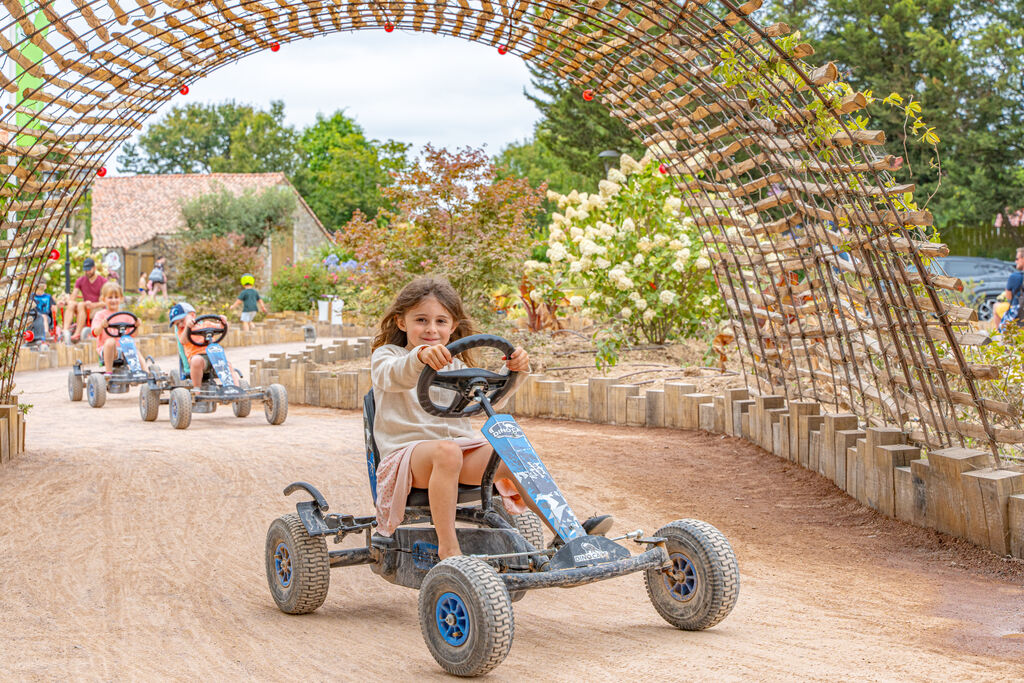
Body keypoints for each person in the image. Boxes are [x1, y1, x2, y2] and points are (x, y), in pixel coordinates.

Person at [370, 275, 612, 559]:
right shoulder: (388, 356)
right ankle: (449, 549)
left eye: (440, 321)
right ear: (402, 322)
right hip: (405, 459)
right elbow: (393, 375)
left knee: (510, 447)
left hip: (457, 454)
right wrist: (420, 357)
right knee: (446, 451)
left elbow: (488, 400)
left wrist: (516, 372)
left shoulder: (456, 366)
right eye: (421, 320)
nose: (431, 329)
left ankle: (569, 536)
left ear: (453, 326)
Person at [169, 302, 230, 392]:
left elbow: (222, 329)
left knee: (228, 365)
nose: (180, 325)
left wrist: (224, 322)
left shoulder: (206, 324)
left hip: (213, 356)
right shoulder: (182, 331)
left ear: (192, 315)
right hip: (198, 358)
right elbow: (183, 341)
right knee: (196, 361)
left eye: (182, 321)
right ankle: (197, 389)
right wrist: (187, 327)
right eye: (177, 324)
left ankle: (234, 389)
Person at [90, 282, 148, 377]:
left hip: (125, 349)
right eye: (110, 297)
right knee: (110, 341)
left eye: (116, 297)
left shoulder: (126, 316)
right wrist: (101, 326)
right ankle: (108, 373)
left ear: (121, 298)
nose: (113, 300)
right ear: (103, 299)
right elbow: (95, 333)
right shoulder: (100, 315)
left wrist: (137, 325)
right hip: (108, 350)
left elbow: (133, 335)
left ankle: (146, 373)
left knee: (135, 349)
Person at [63, 257, 108, 343]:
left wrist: (93, 305)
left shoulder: (103, 281)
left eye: (89, 269)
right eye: (85, 270)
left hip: (96, 308)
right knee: (72, 304)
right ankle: (65, 332)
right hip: (84, 308)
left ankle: (77, 333)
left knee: (81, 304)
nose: (87, 272)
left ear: (94, 268)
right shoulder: (80, 280)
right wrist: (66, 300)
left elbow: (104, 302)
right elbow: (73, 298)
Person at [998, 247, 1024, 333]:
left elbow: (1009, 297)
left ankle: (1000, 338)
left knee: (995, 307)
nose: (1015, 261)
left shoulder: (1015, 276)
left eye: (1017, 258)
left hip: (1019, 311)